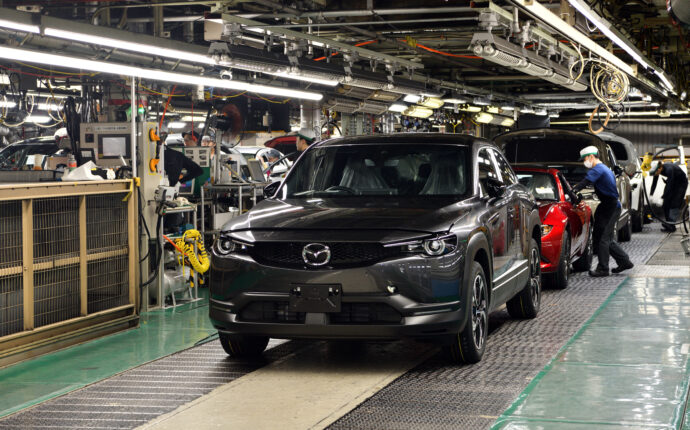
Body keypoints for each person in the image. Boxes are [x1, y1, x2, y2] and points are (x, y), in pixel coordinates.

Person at [571, 145, 634, 277]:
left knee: (603, 239)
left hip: (611, 207)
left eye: (584, 159)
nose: (584, 162)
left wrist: (572, 191)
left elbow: (585, 182)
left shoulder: (598, 169)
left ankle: (603, 268)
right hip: (606, 206)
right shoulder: (604, 168)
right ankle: (624, 261)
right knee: (603, 237)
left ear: (591, 157)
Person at [650, 160, 689, 232]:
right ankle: (668, 223)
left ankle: (671, 225)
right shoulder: (658, 170)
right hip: (672, 182)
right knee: (666, 203)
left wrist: (662, 197)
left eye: (656, 172)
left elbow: (669, 186)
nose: (655, 174)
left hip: (681, 184)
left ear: (660, 168)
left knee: (675, 203)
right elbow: (654, 183)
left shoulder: (669, 169)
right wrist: (651, 195)